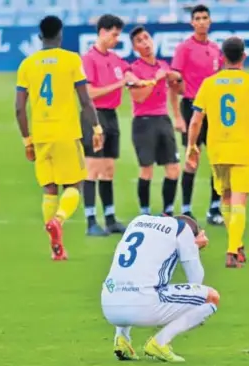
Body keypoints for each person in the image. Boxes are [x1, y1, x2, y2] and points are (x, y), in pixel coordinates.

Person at [186, 37, 249, 268]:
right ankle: (232, 250)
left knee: (227, 199)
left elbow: (195, 120)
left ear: (222, 58)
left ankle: (237, 244)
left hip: (218, 150)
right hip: (242, 150)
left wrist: (192, 145)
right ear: (244, 57)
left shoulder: (209, 83)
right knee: (239, 201)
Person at [15, 15, 103, 261]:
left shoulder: (27, 65)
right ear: (60, 34)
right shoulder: (71, 60)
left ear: (40, 36)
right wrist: (96, 128)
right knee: (75, 185)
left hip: (41, 134)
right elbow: (85, 100)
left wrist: (27, 141)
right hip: (66, 132)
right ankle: (59, 220)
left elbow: (19, 109)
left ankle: (57, 248)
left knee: (49, 189)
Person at [101, 214, 217, 363]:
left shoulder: (138, 220)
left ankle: (121, 339)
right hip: (143, 307)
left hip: (109, 305)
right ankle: (160, 342)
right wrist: (193, 247)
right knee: (211, 297)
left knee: (131, 279)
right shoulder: (182, 230)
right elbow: (196, 281)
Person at [81, 14, 134, 236]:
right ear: (102, 32)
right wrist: (120, 83)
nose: (116, 39)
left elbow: (129, 70)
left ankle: (110, 218)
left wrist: (131, 76)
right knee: (93, 168)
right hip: (93, 116)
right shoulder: (88, 59)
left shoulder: (114, 59)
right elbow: (90, 92)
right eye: (114, 35)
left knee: (109, 169)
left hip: (111, 116)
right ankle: (91, 220)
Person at [170, 5, 224, 225]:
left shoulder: (214, 49)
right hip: (192, 107)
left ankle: (214, 208)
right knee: (192, 159)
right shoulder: (184, 48)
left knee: (217, 160)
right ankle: (186, 209)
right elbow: (174, 81)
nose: (201, 21)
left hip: (213, 109)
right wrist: (178, 115)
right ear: (192, 23)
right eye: (197, 18)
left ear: (210, 21)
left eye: (205, 18)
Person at [127, 26, 183, 216]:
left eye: (147, 38)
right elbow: (139, 97)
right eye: (140, 41)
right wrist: (154, 79)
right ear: (135, 48)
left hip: (163, 120)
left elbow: (176, 87)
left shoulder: (163, 65)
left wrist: (176, 77)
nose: (145, 43)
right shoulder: (133, 70)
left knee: (174, 169)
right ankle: (145, 212)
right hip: (143, 122)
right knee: (146, 171)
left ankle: (167, 211)